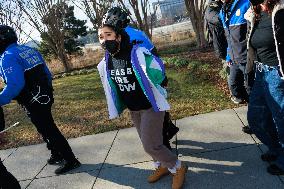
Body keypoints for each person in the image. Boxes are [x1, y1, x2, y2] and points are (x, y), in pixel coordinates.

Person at [97, 16, 188, 188]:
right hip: (134, 109)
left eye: (108, 35)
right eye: (101, 37)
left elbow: (158, 70)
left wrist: (158, 83)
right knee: (147, 142)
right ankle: (161, 166)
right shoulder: (108, 60)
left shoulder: (136, 52)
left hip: (150, 107)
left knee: (151, 145)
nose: (104, 40)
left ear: (118, 36)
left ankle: (178, 167)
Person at [0, 25, 80, 175]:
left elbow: (15, 85)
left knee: (49, 129)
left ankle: (70, 160)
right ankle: (56, 154)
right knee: (44, 127)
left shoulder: (8, 56)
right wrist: (47, 91)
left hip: (32, 99)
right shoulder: (30, 50)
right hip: (45, 95)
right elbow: (47, 73)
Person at [102, 7, 179, 150]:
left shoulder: (126, 36)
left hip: (142, 87)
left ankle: (168, 159)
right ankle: (168, 129)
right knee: (158, 113)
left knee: (154, 128)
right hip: (152, 80)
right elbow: (154, 54)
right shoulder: (138, 32)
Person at [245, 0, 284, 175]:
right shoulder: (254, 13)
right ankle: (276, 149)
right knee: (255, 118)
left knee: (281, 120)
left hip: (277, 73)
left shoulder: (280, 11)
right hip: (260, 73)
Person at [219, 0, 253, 104]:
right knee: (233, 85)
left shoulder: (246, 4)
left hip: (246, 57)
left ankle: (255, 107)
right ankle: (246, 102)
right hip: (233, 59)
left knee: (250, 87)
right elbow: (229, 37)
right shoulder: (222, 12)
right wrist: (229, 55)